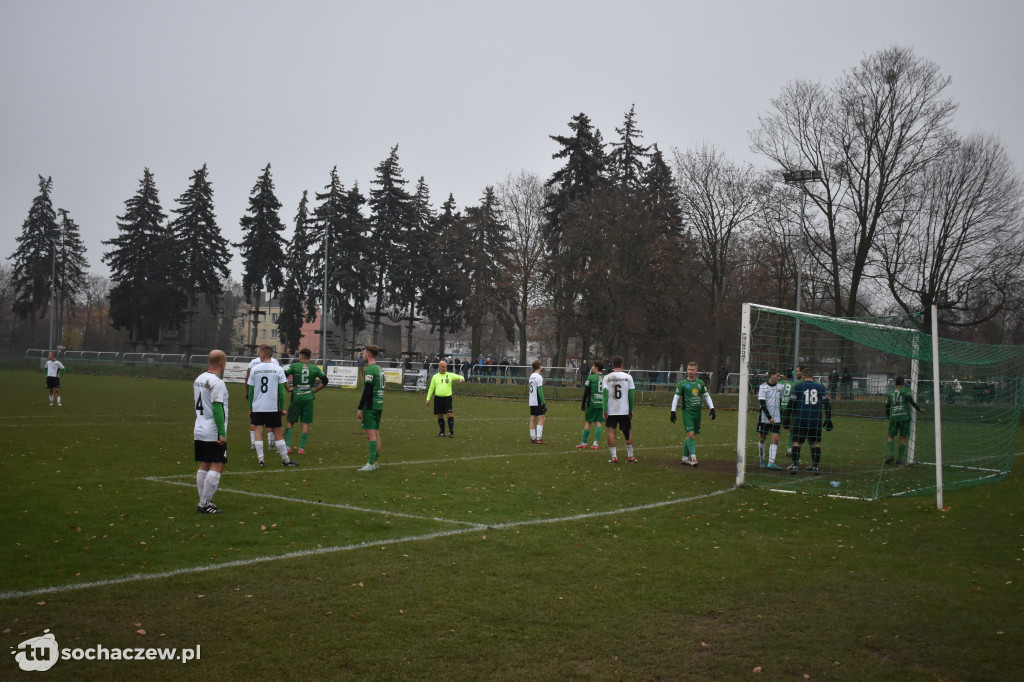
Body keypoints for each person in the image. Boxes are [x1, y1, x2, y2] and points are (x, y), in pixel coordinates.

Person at [248, 344, 299, 468]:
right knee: (278, 433)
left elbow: (251, 391)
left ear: (263, 354)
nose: (259, 355)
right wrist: (281, 407)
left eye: (259, 353)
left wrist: (251, 407)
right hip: (272, 406)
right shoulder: (278, 369)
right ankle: (285, 460)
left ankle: (261, 460)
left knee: (258, 432)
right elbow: (281, 392)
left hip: (258, 407)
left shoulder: (255, 369)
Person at [193, 350, 229, 514]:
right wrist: (222, 433)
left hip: (199, 427)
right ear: (222, 363)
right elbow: (217, 408)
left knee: (204, 464)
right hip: (213, 430)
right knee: (217, 464)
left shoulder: (199, 379)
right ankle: (204, 503)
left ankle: (204, 502)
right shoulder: (217, 382)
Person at [783, 367, 832, 474]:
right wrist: (828, 418)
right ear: (813, 377)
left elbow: (791, 403)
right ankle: (815, 467)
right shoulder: (819, 387)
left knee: (796, 443)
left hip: (801, 419)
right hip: (815, 419)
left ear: (803, 376)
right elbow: (827, 404)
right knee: (815, 443)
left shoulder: (798, 386)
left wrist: (787, 417)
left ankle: (795, 466)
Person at [283, 348, 328, 456]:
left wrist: (288, 388)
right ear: (309, 357)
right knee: (305, 422)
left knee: (290, 421)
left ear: (302, 356)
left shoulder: (294, 366)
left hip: (297, 396)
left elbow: (282, 375)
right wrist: (315, 390)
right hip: (308, 397)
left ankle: (287, 447)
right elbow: (325, 380)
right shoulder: (315, 368)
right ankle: (301, 449)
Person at [670, 361, 716, 466]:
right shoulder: (682, 384)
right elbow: (676, 398)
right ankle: (693, 458)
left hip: (697, 413)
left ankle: (684, 458)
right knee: (690, 434)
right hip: (687, 412)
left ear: (696, 370)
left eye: (692, 370)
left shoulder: (700, 383)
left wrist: (712, 408)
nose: (690, 372)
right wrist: (673, 411)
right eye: (689, 369)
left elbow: (706, 396)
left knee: (691, 435)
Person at [603, 356, 637, 463]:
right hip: (624, 410)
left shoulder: (607, 377)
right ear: (622, 365)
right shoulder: (628, 377)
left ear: (612, 365)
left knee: (611, 432)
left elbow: (604, 395)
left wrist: (604, 409)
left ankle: (614, 457)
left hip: (611, 409)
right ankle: (631, 457)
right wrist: (631, 409)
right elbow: (631, 396)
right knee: (627, 432)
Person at [245, 350, 281, 451]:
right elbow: (279, 380)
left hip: (257, 396)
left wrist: (247, 392)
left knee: (256, 423)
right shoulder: (275, 362)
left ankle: (253, 444)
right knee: (271, 422)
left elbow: (247, 379)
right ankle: (271, 443)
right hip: (271, 396)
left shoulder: (253, 363)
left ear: (262, 353)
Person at [357, 344, 385, 471]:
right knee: (377, 433)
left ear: (368, 354)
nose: (362, 355)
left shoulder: (370, 369)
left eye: (363, 353)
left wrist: (360, 408)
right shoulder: (380, 369)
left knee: (371, 435)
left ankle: (371, 464)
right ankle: (376, 461)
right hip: (379, 405)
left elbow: (367, 390)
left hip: (371, 405)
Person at [885, 376, 922, 466]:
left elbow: (886, 406)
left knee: (890, 436)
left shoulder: (890, 392)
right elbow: (910, 399)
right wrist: (918, 408)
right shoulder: (906, 390)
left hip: (893, 416)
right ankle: (900, 459)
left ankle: (891, 455)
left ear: (895, 384)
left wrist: (888, 417)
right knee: (903, 437)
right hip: (904, 417)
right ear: (903, 383)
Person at [426, 359, 465, 437]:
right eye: (443, 367)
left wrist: (462, 379)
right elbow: (431, 388)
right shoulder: (435, 377)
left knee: (449, 414)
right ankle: (442, 432)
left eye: (445, 367)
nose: (444, 368)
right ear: (439, 367)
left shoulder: (449, 375)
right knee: (440, 415)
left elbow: (460, 376)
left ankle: (451, 432)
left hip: (447, 398)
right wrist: (428, 398)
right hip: (438, 398)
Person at [757, 368, 784, 469]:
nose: (779, 377)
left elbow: (780, 401)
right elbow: (762, 404)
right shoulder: (763, 387)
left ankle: (771, 462)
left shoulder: (781, 387)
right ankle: (762, 460)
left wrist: (777, 415)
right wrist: (769, 417)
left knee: (775, 439)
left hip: (776, 418)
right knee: (762, 438)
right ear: (772, 375)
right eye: (777, 375)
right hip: (764, 417)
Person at [577, 359, 605, 450]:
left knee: (588, 422)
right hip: (601, 404)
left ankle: (584, 443)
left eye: (593, 366)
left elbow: (587, 392)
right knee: (598, 423)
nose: (592, 368)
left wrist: (583, 403)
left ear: (596, 368)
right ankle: (595, 443)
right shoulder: (605, 378)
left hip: (592, 403)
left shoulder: (591, 378)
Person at [528, 360, 547, 444]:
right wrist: (543, 402)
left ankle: (533, 438)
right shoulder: (538, 376)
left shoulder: (531, 376)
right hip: (537, 400)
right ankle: (539, 439)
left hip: (531, 401)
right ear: (539, 366)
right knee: (542, 418)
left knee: (533, 419)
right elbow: (540, 391)